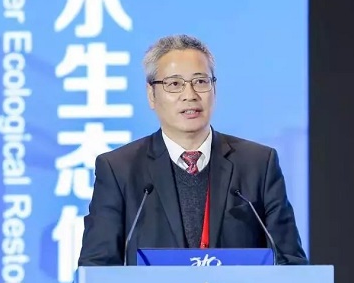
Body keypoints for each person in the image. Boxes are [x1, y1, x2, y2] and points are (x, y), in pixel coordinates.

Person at [77, 34, 307, 266]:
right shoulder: (119, 169)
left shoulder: (258, 164)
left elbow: (289, 262)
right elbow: (96, 268)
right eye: (174, 84)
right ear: (151, 95)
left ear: (214, 89)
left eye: (200, 82)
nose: (190, 95)